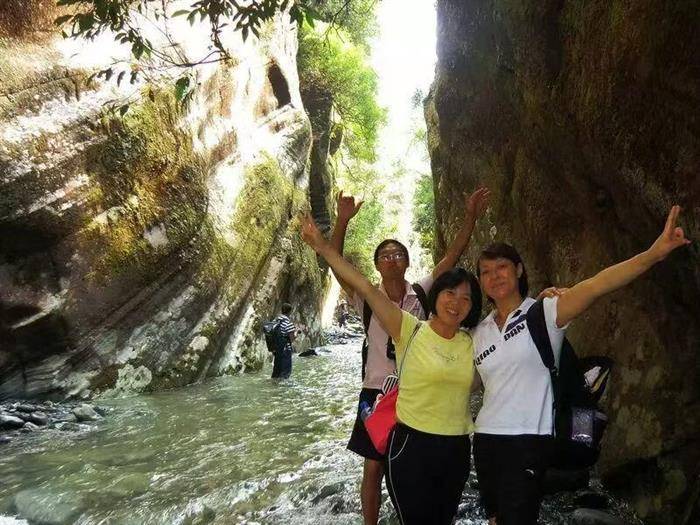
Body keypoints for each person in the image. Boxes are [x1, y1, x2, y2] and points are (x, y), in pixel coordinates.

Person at [471, 205, 691, 525]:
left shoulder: (546, 312)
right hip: (485, 441)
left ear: (518, 270)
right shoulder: (479, 331)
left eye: (501, 267)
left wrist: (653, 254)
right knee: (494, 519)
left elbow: (598, 284)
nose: (494, 276)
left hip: (528, 441)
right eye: (486, 271)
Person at [301, 212, 482, 525]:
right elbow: (346, 272)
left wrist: (469, 216)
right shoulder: (370, 300)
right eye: (385, 256)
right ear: (376, 265)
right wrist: (335, 229)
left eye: (398, 254)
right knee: (373, 465)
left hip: (419, 388)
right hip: (377, 389)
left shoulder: (424, 293)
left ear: (408, 262)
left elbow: (452, 256)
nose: (392, 260)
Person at [271, 303, 297, 379]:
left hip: (276, 350)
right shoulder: (288, 323)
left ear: (282, 310)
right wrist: (296, 332)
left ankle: (273, 385)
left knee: (276, 372)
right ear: (290, 312)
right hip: (285, 350)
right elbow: (292, 339)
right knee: (285, 373)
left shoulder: (275, 321)